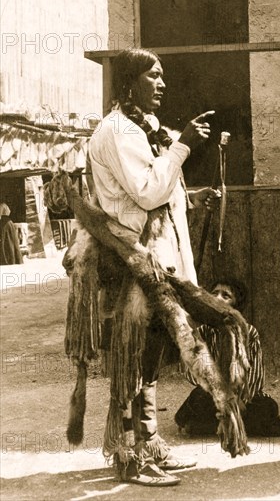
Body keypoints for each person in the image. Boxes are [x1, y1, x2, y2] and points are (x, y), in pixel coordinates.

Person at [89, 47, 220, 486]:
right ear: (129, 82)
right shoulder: (119, 131)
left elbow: (155, 192)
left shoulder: (139, 129)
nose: (161, 83)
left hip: (153, 260)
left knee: (148, 359)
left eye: (162, 76)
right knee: (131, 359)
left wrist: (191, 195)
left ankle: (148, 445)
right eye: (153, 75)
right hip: (131, 263)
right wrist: (183, 145)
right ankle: (128, 457)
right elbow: (146, 192)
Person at [175, 277, 280, 437]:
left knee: (267, 407)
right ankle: (229, 425)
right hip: (213, 394)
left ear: (236, 306)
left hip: (245, 398)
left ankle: (210, 427)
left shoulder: (248, 332)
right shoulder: (204, 331)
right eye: (214, 293)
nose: (217, 298)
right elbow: (194, 374)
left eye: (225, 296)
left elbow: (255, 375)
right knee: (198, 398)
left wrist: (238, 399)